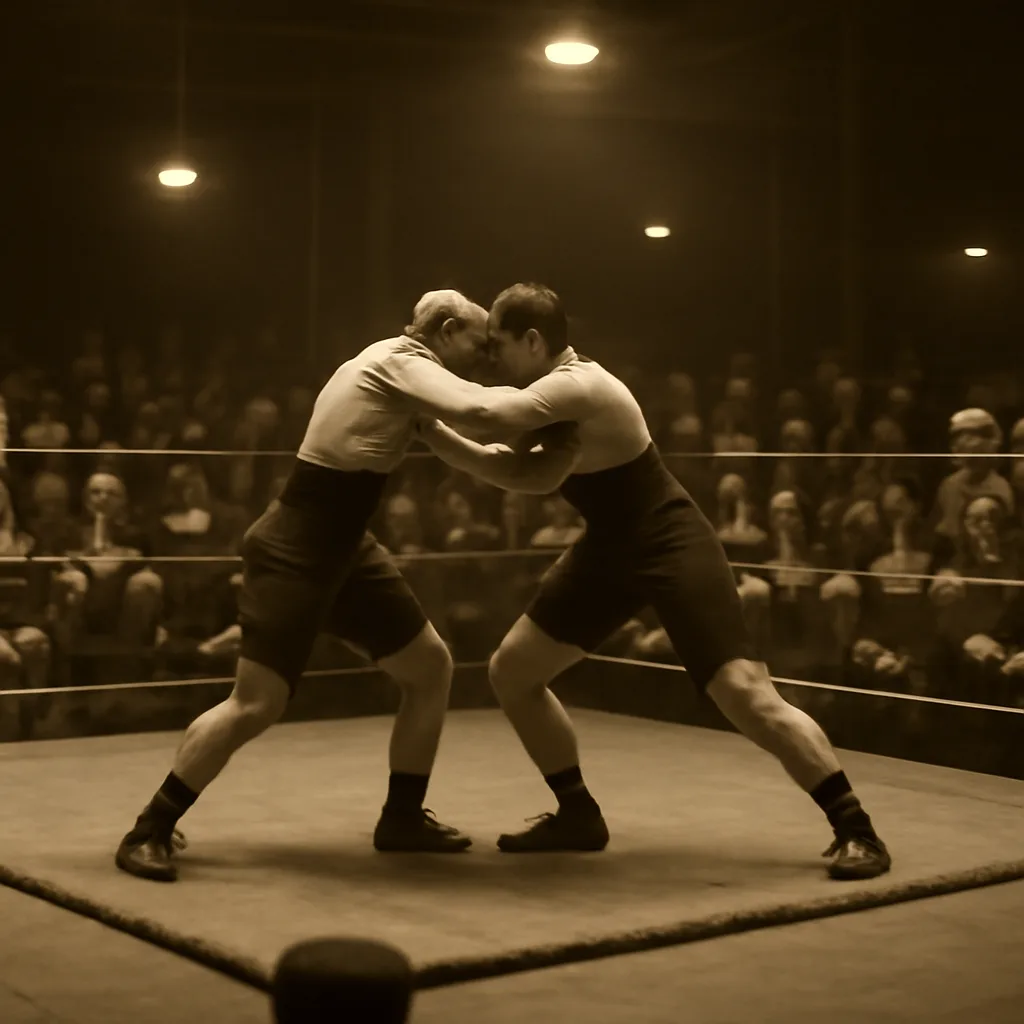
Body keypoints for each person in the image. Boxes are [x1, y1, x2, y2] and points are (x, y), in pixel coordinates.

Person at [417, 282, 892, 880]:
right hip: (609, 548)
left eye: (497, 344)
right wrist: (429, 432)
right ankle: (578, 814)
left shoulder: (581, 385)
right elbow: (515, 471)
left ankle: (857, 829)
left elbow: (486, 415)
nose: (489, 357)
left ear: (533, 341)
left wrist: (406, 376)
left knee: (743, 692)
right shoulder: (545, 395)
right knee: (513, 671)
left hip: (669, 540)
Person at [114, 289, 581, 882]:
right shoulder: (398, 362)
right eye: (479, 341)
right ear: (444, 331)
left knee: (429, 668)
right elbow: (484, 412)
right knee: (257, 702)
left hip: (345, 548)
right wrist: (569, 396)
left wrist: (550, 450)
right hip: (297, 546)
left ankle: (402, 817)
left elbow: (481, 448)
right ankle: (149, 828)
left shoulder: (409, 381)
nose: (488, 354)